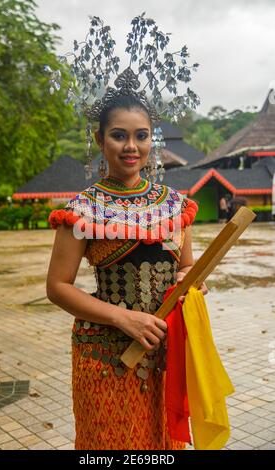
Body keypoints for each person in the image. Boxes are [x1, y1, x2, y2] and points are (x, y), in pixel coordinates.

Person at [45, 14, 207, 451]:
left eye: (141, 136)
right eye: (119, 136)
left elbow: (188, 267)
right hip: (107, 357)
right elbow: (57, 287)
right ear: (100, 140)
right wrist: (123, 317)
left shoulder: (176, 206)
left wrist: (190, 282)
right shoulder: (82, 208)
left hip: (165, 352)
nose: (130, 147)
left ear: (152, 140)